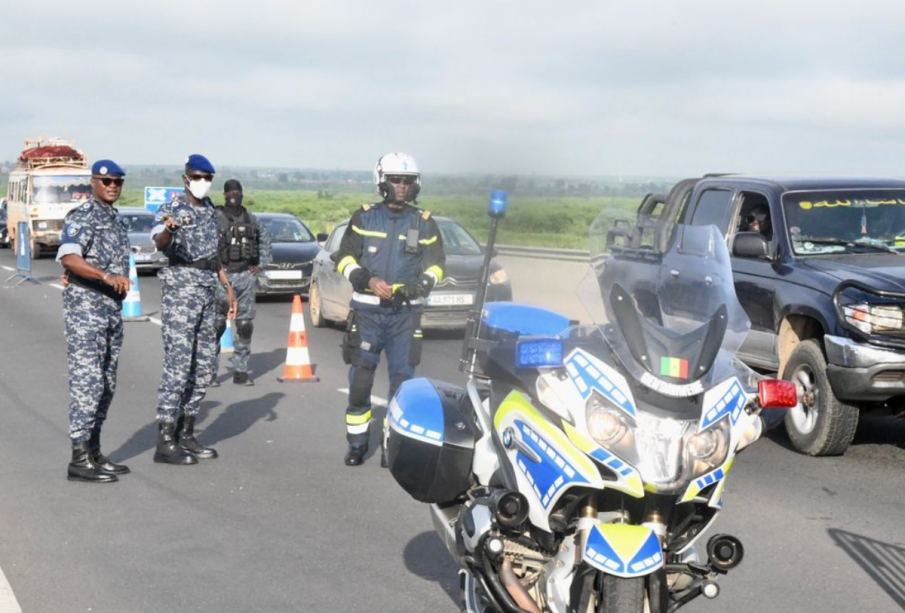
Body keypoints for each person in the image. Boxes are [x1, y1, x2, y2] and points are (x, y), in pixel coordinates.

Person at [334, 152, 445, 466]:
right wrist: (364, 278)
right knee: (360, 383)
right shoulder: (364, 217)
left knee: (402, 384)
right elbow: (343, 258)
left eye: (407, 181)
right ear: (381, 181)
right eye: (396, 180)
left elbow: (437, 265)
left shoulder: (423, 223)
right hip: (368, 314)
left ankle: (390, 445)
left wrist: (421, 285)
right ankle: (357, 444)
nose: (401, 186)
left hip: (405, 317)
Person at [151, 154, 237, 465]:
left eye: (207, 177)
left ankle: (186, 431)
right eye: (198, 177)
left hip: (208, 290)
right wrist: (170, 231)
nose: (203, 182)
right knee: (178, 365)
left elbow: (214, 256)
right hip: (181, 292)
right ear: (186, 177)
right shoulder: (172, 208)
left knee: (204, 366)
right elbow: (159, 241)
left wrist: (227, 287)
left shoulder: (211, 210)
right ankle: (165, 439)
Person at [57, 160, 133, 483]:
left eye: (117, 181)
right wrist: (105, 275)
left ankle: (94, 451)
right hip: (86, 310)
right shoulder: (83, 216)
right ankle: (79, 458)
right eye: (106, 181)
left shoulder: (115, 219)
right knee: (87, 383)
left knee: (106, 384)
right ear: (93, 183)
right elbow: (69, 256)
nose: (112, 186)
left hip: (110, 311)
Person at [211, 179, 272, 386]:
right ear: (225, 195)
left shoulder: (251, 219)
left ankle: (241, 371)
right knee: (217, 325)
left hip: (245, 277)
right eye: (231, 193)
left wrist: (261, 264)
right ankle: (210, 372)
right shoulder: (215, 218)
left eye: (238, 192)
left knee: (245, 326)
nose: (234, 196)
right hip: (221, 277)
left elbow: (265, 240)